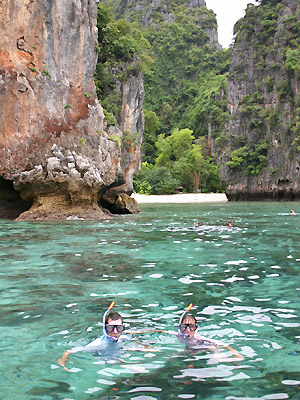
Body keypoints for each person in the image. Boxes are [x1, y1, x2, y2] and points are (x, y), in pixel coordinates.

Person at [57, 302, 125, 370]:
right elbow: (68, 351)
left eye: (119, 328)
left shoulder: (122, 337)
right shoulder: (98, 344)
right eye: (111, 328)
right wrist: (62, 360)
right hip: (104, 363)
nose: (115, 332)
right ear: (105, 328)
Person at [176, 304, 244, 360]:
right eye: (184, 327)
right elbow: (167, 332)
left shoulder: (199, 338)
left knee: (215, 351)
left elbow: (222, 344)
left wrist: (234, 353)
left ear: (195, 328)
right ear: (180, 328)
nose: (188, 330)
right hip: (190, 350)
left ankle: (235, 364)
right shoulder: (178, 335)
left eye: (192, 327)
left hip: (202, 347)